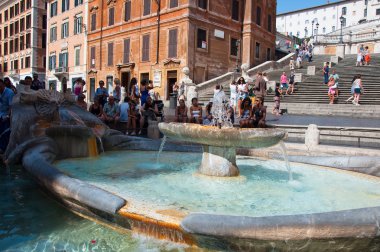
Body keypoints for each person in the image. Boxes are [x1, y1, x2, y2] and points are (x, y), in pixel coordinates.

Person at [0, 79, 15, 153]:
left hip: (7, 115)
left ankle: (3, 148)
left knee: (5, 132)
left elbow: (11, 106)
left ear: (3, 85)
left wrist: (8, 116)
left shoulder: (9, 92)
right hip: (0, 114)